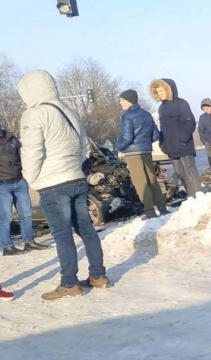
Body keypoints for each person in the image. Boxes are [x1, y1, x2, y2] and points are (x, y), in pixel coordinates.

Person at [18, 70, 109, 300]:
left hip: (52, 183)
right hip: (76, 178)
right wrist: (74, 166)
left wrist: (33, 178)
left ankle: (69, 284)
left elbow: (31, 152)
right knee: (86, 229)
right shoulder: (69, 111)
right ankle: (98, 277)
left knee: (62, 235)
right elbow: (84, 146)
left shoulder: (34, 114)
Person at [117, 90, 169, 220]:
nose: (120, 103)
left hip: (133, 153)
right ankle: (162, 207)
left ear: (129, 100)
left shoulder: (127, 116)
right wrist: (145, 142)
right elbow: (156, 134)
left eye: (122, 100)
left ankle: (149, 211)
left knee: (141, 182)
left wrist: (118, 147)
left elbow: (127, 137)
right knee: (152, 179)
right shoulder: (146, 114)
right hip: (146, 151)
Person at [0, 128, 50, 256]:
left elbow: (23, 156)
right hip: (3, 185)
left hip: (19, 182)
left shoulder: (11, 138)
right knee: (6, 217)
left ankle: (29, 241)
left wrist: (24, 177)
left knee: (26, 214)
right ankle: (7, 246)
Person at [150, 79, 201, 198]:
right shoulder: (161, 108)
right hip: (171, 147)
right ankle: (191, 197)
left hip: (184, 145)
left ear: (169, 90)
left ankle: (199, 197)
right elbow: (163, 128)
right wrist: (163, 144)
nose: (160, 93)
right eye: (157, 91)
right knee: (180, 174)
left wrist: (182, 138)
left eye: (162, 90)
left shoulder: (181, 103)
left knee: (190, 172)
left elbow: (190, 122)